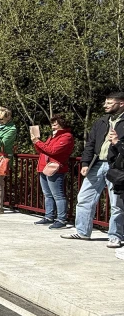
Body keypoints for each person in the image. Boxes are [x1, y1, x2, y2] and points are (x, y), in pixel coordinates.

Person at [61, 92, 124, 246]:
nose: (105, 105)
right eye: (106, 102)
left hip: (116, 166)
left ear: (121, 103)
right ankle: (82, 231)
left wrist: (117, 142)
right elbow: (90, 143)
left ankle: (115, 236)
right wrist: (85, 163)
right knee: (84, 198)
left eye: (109, 103)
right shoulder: (102, 121)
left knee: (117, 204)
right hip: (96, 165)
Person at [32, 115, 75, 229]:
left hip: (55, 168)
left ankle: (61, 219)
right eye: (52, 124)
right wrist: (37, 143)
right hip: (44, 167)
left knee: (58, 195)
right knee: (47, 194)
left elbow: (53, 151)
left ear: (62, 124)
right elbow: (43, 149)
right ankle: (49, 216)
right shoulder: (53, 136)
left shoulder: (67, 137)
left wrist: (38, 142)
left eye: (56, 124)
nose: (53, 126)